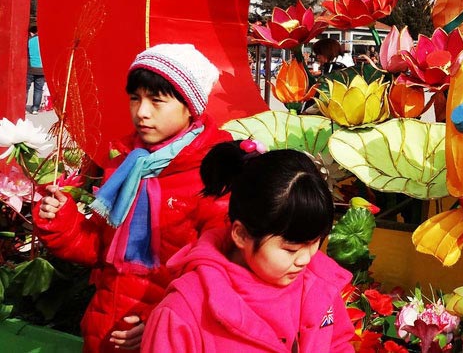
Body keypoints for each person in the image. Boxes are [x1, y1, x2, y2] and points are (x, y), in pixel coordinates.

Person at [35, 44, 228, 352]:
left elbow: (215, 274)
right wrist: (62, 220)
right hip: (105, 325)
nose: (142, 112)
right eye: (135, 98)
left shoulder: (213, 175)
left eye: (157, 100)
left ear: (190, 106)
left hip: (170, 334)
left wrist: (160, 319)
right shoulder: (126, 162)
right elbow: (99, 247)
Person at [142, 143, 354, 352]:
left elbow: (338, 345)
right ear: (241, 235)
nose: (305, 259)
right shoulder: (185, 312)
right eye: (291, 249)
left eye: (314, 242)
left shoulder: (319, 283)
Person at [26, 25, 44, 114]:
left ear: (31, 32)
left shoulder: (30, 41)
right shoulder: (44, 41)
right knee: (38, 89)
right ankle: (35, 109)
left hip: (31, 68)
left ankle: (22, 107)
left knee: (26, 88)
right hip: (41, 69)